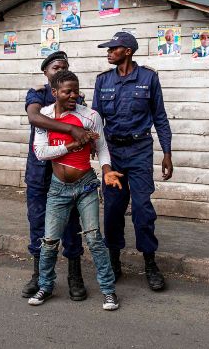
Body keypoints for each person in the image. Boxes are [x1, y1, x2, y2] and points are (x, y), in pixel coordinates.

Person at [29, 70, 123, 310]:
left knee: (94, 238)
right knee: (49, 241)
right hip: (58, 189)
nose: (73, 95)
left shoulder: (90, 116)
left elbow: (102, 148)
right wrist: (71, 144)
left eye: (76, 90)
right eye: (67, 91)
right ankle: (45, 286)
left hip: (86, 185)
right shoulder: (45, 117)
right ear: (54, 93)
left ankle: (108, 291)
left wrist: (106, 170)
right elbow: (41, 153)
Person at [92, 31, 174, 291]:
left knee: (142, 209)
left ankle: (149, 262)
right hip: (113, 152)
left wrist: (167, 153)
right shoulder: (103, 80)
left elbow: (160, 117)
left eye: (113, 48)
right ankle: (114, 261)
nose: (108, 52)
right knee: (114, 209)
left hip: (140, 150)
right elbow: (95, 120)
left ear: (127, 51)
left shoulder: (149, 78)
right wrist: (95, 149)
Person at [23, 51, 93, 301]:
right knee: (38, 224)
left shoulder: (75, 98)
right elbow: (35, 117)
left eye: (64, 67)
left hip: (67, 173)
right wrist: (70, 128)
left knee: (71, 225)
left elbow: (89, 127)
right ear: (45, 73)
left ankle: (75, 276)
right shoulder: (37, 94)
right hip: (39, 172)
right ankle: (39, 277)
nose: (60, 71)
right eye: (55, 68)